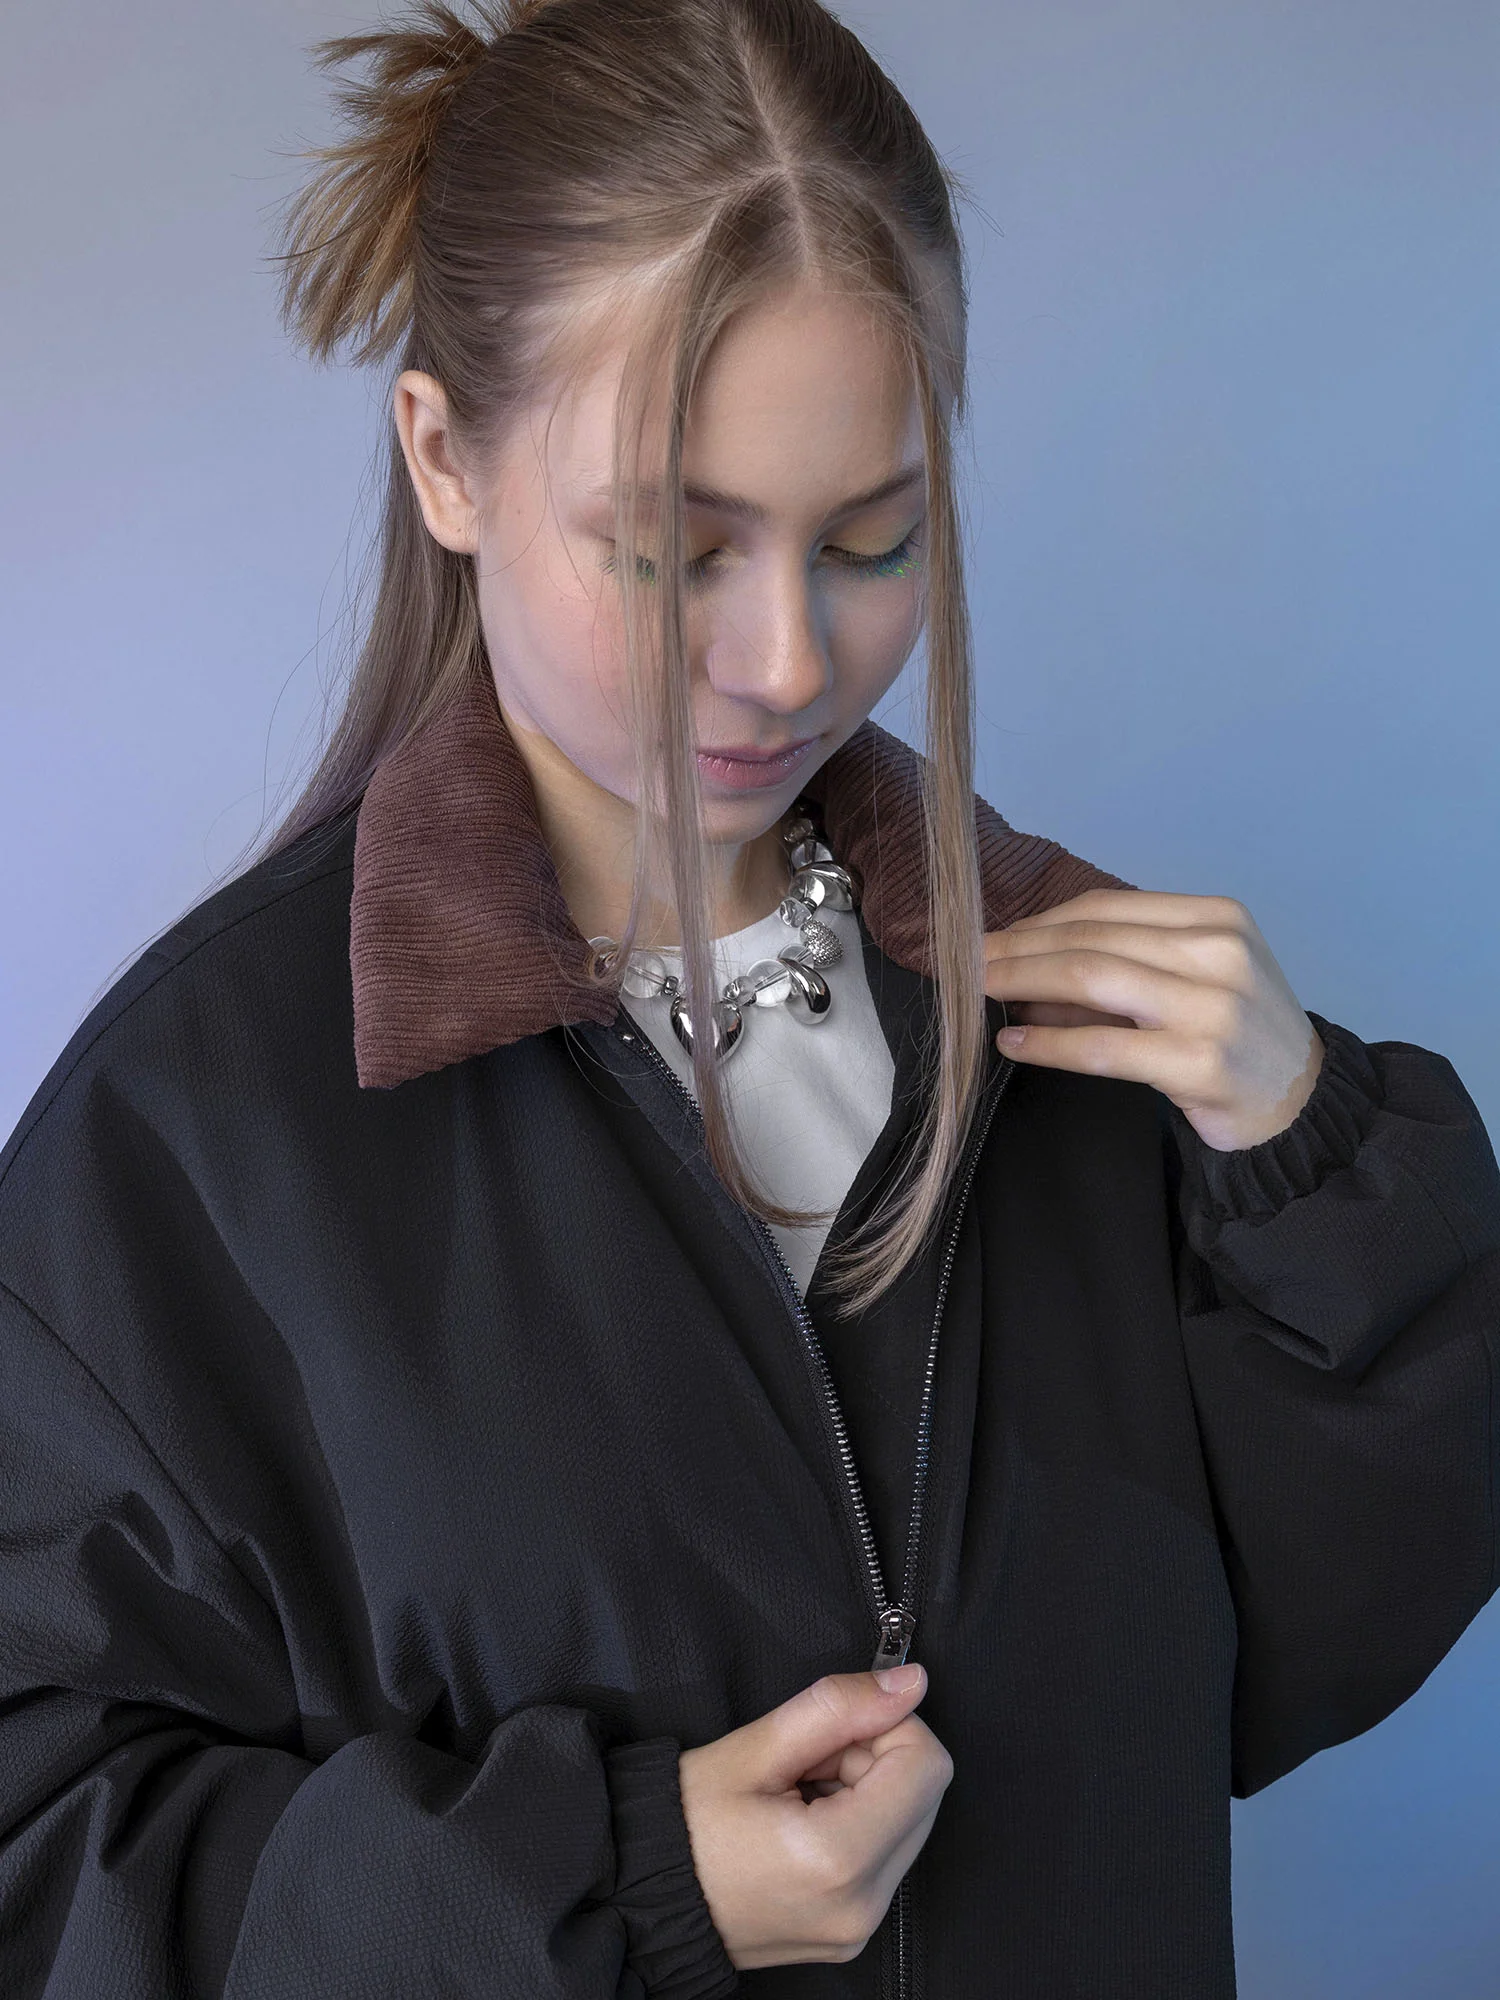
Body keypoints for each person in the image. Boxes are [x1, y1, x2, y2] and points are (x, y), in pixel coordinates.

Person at [0, 1, 1495, 1994]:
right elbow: (43, 1864)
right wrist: (618, 1885)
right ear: (445, 459)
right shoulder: (192, 1139)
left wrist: (1316, 1178)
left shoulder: (1084, 1032)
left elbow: (1297, 1659)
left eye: (874, 540)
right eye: (667, 552)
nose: (789, 660)